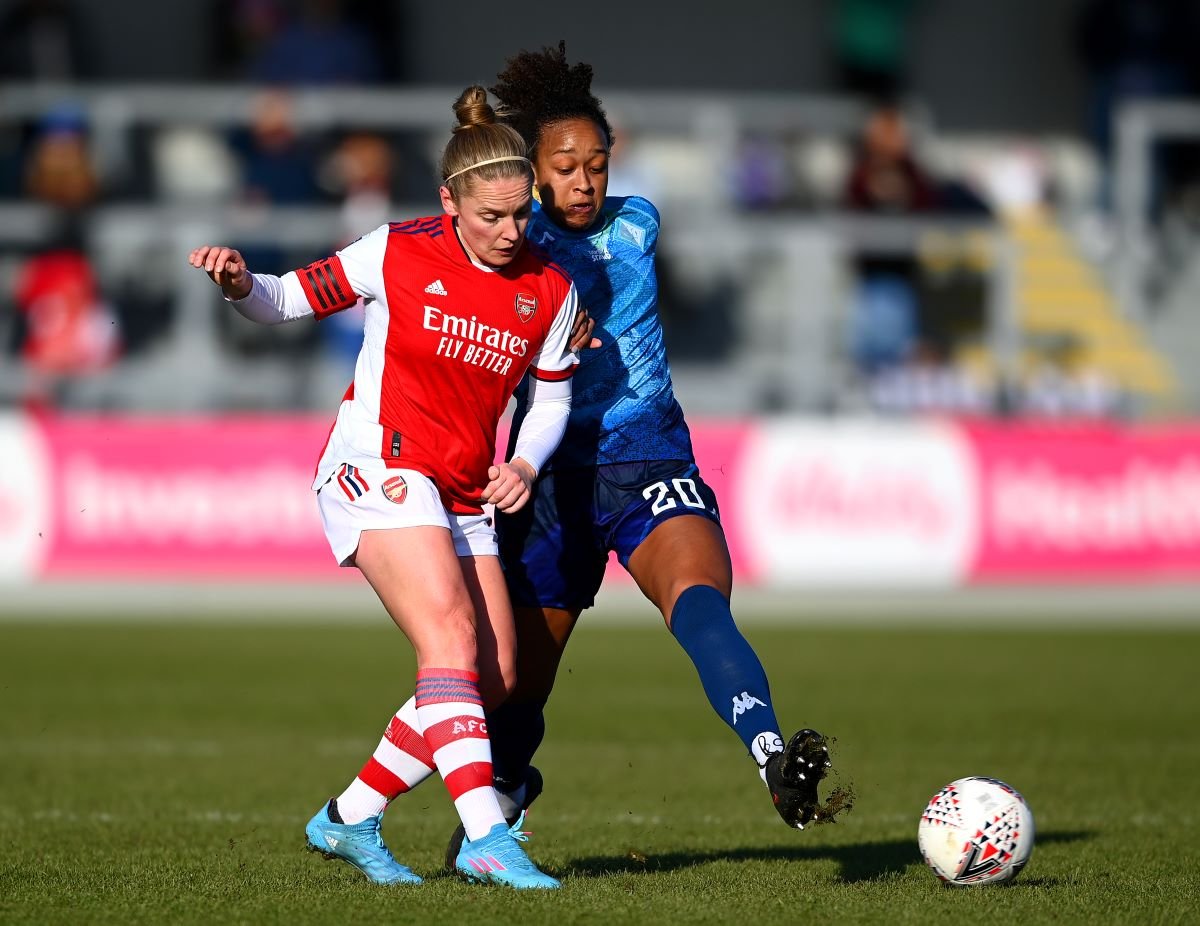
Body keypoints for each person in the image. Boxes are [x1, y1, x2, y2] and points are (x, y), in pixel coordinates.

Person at [188, 85, 581, 890]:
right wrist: (237, 284)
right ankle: (485, 837)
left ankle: (348, 819)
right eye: (492, 218)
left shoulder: (550, 287)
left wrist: (526, 463)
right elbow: (284, 300)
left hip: (465, 485)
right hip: (376, 459)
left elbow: (554, 396)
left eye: (521, 215)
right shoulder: (396, 251)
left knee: (496, 675)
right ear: (449, 202)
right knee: (447, 634)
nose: (511, 232)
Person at [472, 43, 832, 847]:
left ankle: (772, 755)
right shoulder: (508, 244)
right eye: (565, 165)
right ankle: (505, 792)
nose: (585, 180)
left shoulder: (639, 222)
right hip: (549, 479)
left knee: (699, 600)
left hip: (651, 460)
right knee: (520, 689)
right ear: (532, 169)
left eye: (596, 163)